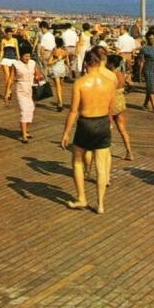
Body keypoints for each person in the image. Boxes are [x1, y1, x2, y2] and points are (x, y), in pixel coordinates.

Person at [61, 50, 114, 214]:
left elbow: (73, 111)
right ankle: (100, 204)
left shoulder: (80, 83)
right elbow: (110, 107)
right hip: (103, 122)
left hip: (86, 123)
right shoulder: (109, 82)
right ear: (99, 63)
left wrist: (66, 132)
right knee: (101, 166)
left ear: (85, 64)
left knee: (77, 161)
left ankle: (82, 198)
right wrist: (109, 123)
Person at [106, 54, 134, 161]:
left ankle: (105, 151)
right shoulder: (122, 74)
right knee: (122, 129)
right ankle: (129, 152)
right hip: (121, 101)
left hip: (111, 102)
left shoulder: (109, 75)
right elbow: (130, 84)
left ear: (111, 64)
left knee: (107, 128)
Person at [12, 43, 42, 143]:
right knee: (24, 110)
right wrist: (7, 91)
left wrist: (38, 77)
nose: (28, 58)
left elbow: (38, 74)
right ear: (21, 56)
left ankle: (25, 130)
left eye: (29, 56)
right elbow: (10, 78)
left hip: (31, 89)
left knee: (31, 110)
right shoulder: (16, 64)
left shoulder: (32, 63)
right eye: (26, 56)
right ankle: (24, 135)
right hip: (21, 88)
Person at [137, 30, 154, 112]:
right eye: (150, 38)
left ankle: (145, 104)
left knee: (151, 87)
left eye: (153, 38)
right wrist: (140, 73)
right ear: (147, 39)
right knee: (151, 87)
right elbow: (142, 61)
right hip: (148, 67)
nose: (152, 39)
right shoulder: (144, 49)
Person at [48, 36, 71, 111]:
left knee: (57, 87)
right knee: (61, 86)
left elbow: (49, 62)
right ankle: (61, 101)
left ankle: (60, 103)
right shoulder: (65, 52)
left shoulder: (54, 51)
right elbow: (68, 63)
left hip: (56, 69)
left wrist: (57, 59)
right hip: (62, 69)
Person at [0, 27, 19, 104]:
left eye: (11, 34)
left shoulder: (15, 40)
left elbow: (17, 50)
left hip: (13, 59)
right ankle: (7, 93)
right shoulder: (3, 40)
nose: (9, 35)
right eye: (8, 34)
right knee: (7, 77)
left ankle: (9, 91)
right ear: (6, 34)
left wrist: (18, 59)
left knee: (11, 78)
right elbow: (2, 51)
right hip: (5, 59)